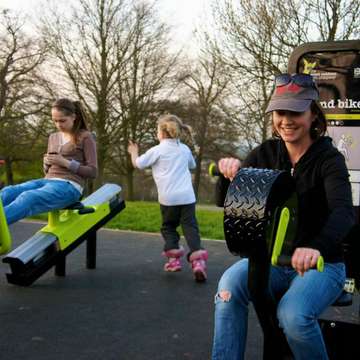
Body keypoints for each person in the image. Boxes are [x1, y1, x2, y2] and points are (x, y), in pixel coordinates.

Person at [212, 73, 354, 359]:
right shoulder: (265, 153)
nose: (286, 120)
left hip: (322, 264)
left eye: (296, 112)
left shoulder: (329, 160)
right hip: (271, 261)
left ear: (313, 115)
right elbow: (224, 202)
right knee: (227, 289)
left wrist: (316, 247)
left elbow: (343, 213)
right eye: (280, 112)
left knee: (292, 315)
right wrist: (228, 177)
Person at [127, 114, 208, 282]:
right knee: (190, 228)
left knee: (169, 227)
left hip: (168, 198)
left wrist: (133, 152)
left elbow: (139, 164)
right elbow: (192, 165)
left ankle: (173, 260)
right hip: (187, 197)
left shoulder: (157, 150)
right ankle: (198, 262)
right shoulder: (184, 149)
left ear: (162, 133)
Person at [0, 98, 97, 225]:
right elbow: (48, 171)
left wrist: (65, 163)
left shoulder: (86, 137)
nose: (58, 125)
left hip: (70, 186)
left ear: (73, 117)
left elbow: (93, 172)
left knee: (29, 197)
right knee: (8, 192)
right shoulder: (53, 137)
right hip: (47, 181)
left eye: (62, 121)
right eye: (55, 121)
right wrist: (46, 163)